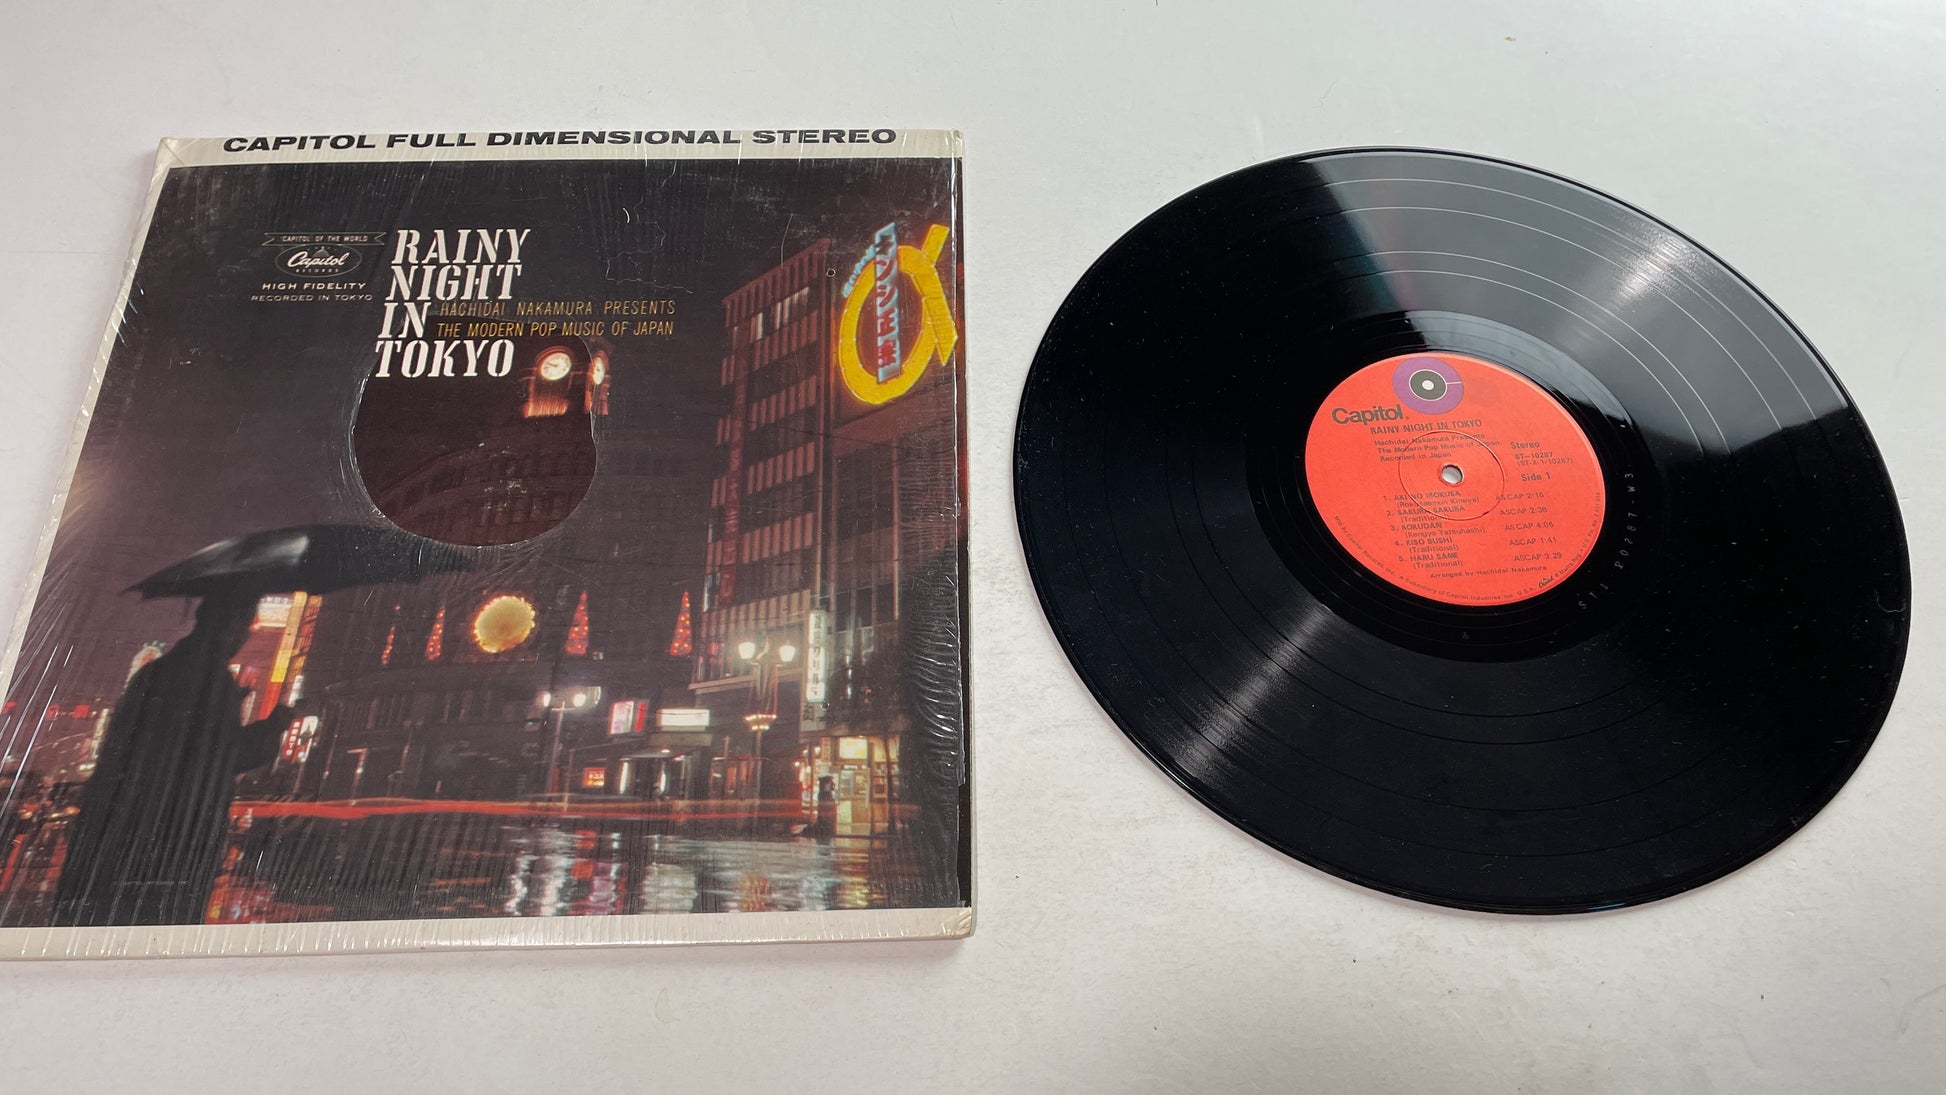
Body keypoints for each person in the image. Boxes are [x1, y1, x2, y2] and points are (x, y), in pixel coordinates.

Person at [53, 593, 291, 926]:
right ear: (229, 625)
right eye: (246, 625)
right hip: (171, 844)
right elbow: (224, 755)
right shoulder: (211, 680)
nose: (246, 635)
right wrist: (275, 724)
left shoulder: (155, 672)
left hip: (113, 834)